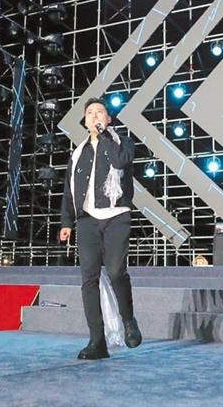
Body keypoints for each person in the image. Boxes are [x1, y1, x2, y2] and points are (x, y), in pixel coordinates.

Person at [59, 97, 142, 360]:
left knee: (116, 271)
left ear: (108, 119)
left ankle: (128, 319)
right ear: (85, 122)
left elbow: (119, 161)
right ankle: (97, 341)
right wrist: (66, 222)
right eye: (90, 113)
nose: (94, 116)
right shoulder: (77, 153)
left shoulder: (122, 143)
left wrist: (105, 136)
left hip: (116, 215)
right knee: (89, 279)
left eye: (99, 112)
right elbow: (69, 190)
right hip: (87, 220)